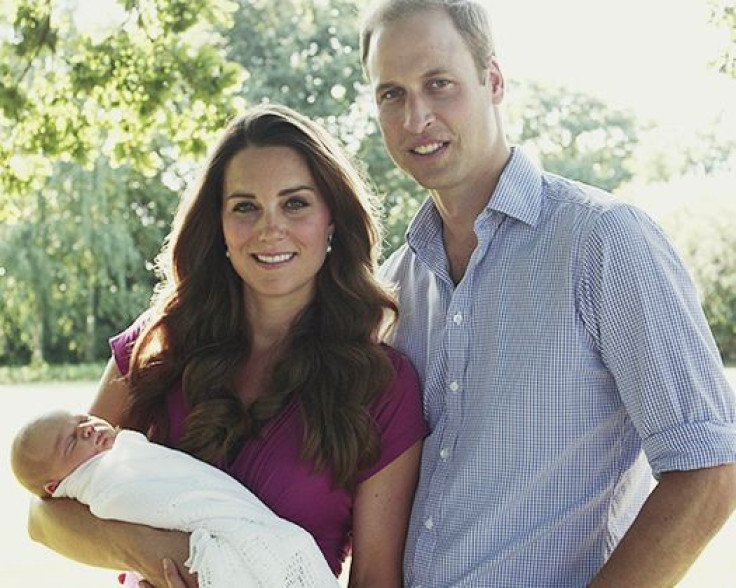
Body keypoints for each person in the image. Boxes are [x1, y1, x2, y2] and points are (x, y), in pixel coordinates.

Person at [359, 1, 736, 586]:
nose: (416, 118)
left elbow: (711, 467)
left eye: (439, 84)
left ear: (494, 81)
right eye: (392, 94)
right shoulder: (392, 286)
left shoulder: (603, 241)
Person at [27, 104, 428, 588]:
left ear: (332, 222)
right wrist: (163, 556)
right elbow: (46, 517)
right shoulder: (160, 342)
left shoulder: (382, 385)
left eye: (295, 203)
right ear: (218, 225)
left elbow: (375, 578)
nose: (269, 228)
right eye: (245, 206)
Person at [11, 410, 337, 587]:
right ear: (55, 486)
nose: (85, 430)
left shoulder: (123, 451)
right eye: (70, 443)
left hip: (257, 532)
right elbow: (40, 519)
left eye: (81, 420)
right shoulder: (104, 483)